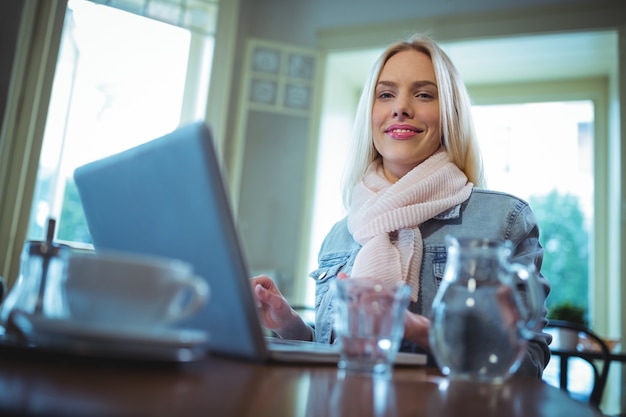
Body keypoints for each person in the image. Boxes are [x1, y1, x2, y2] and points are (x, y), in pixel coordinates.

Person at [250, 33, 551, 377]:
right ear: (371, 113)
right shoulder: (340, 235)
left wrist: (418, 329)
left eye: (423, 94)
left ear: (450, 114)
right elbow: (335, 355)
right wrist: (287, 325)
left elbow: (528, 364)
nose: (401, 107)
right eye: (386, 94)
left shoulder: (504, 220)